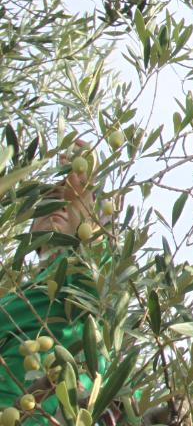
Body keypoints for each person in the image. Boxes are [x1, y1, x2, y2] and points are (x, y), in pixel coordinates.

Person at [0, 143, 114, 425]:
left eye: (66, 201)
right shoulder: (15, 297)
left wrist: (82, 196)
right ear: (30, 229)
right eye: (50, 200)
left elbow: (99, 274)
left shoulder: (78, 270)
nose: (58, 207)